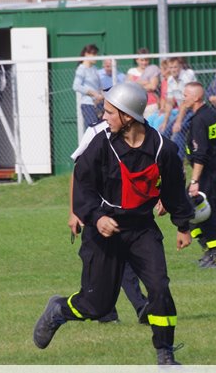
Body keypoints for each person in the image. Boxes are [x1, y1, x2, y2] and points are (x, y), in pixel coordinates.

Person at [33, 82, 193, 366]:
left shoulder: (163, 149)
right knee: (97, 305)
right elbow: (83, 186)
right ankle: (59, 309)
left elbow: (174, 189)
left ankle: (165, 355)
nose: (104, 117)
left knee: (159, 288)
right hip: (103, 233)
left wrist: (183, 225)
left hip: (141, 230)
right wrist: (97, 218)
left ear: (128, 116)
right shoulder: (101, 144)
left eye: (109, 112)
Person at [68, 119, 149, 324]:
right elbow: (78, 173)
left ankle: (141, 306)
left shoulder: (140, 129)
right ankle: (105, 312)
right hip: (96, 211)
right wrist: (75, 211)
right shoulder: (96, 131)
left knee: (123, 258)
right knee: (96, 261)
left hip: (124, 210)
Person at [183, 82, 216, 268]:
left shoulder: (200, 120)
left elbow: (200, 153)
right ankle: (209, 250)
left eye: (186, 95)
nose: (183, 98)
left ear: (196, 97)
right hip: (213, 170)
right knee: (189, 210)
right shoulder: (211, 114)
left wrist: (194, 181)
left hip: (206, 173)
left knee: (206, 213)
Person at [72, 43, 104, 128]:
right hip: (88, 105)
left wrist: (101, 96)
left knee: (101, 129)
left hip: (99, 105)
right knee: (93, 130)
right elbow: (76, 86)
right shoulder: (81, 69)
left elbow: (100, 86)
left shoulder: (95, 69)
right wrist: (93, 93)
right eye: (94, 54)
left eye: (96, 54)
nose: (96, 56)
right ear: (86, 54)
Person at [131, 48, 162, 117]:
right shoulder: (131, 72)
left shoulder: (153, 69)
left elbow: (153, 86)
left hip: (151, 104)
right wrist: (146, 83)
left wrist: (136, 83)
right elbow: (129, 87)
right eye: (142, 60)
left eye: (146, 60)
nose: (144, 62)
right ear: (137, 60)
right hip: (135, 105)